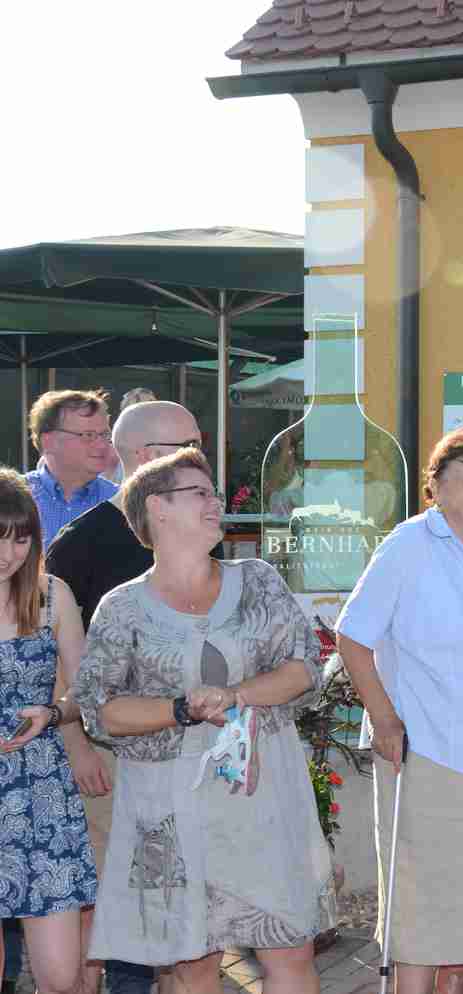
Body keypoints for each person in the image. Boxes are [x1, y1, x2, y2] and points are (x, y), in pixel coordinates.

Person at [71, 447, 331, 994]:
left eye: (214, 493)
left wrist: (235, 695)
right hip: (166, 807)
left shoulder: (258, 580)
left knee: (290, 948)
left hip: (261, 796)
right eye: (200, 493)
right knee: (191, 966)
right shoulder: (121, 608)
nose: (216, 503)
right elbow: (100, 710)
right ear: (157, 508)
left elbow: (304, 665)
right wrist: (180, 709)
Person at [336, 428, 463, 994]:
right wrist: (384, 719)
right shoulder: (409, 546)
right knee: (424, 913)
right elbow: (353, 637)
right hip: (430, 753)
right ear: (435, 487)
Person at [47, 401, 204, 994]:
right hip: (109, 755)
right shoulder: (79, 545)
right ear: (144, 458)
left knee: (173, 900)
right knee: (105, 897)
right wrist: (77, 747)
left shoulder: (193, 530)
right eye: (188, 447)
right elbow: (55, 660)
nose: (202, 458)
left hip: (183, 748)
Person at [0, 468, 96, 994]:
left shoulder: (52, 596)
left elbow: (86, 690)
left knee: (61, 978)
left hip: (41, 796)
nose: (8, 553)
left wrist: (54, 714)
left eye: (20, 539)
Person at [25, 390, 118, 550]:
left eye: (104, 435)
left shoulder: (119, 502)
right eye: (88, 435)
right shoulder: (12, 498)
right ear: (49, 442)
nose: (102, 445)